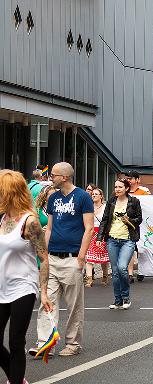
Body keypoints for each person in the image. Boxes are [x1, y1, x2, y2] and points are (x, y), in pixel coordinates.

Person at [29, 162, 94, 358]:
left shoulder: (82, 197)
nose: (51, 178)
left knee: (74, 305)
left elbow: (89, 227)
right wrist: (44, 255)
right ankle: (45, 343)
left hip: (73, 258)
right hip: (52, 258)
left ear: (64, 177)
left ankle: (73, 343)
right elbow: (49, 228)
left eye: (54, 175)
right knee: (46, 301)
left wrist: (81, 257)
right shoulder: (53, 198)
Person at [0, 170, 53, 384]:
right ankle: (16, 377)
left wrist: (44, 291)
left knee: (15, 341)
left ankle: (15, 380)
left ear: (9, 192)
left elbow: (44, 258)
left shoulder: (29, 222)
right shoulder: (2, 218)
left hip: (23, 287)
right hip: (2, 287)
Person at [97, 179, 143, 310]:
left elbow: (139, 219)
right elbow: (105, 219)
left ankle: (126, 297)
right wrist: (100, 237)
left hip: (128, 239)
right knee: (115, 271)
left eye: (120, 187)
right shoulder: (111, 201)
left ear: (127, 188)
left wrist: (129, 219)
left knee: (122, 267)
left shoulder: (134, 201)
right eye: (116, 187)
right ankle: (118, 300)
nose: (117, 189)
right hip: (112, 239)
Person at [124, 170, 149, 283]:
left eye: (130, 178)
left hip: (142, 224)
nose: (128, 180)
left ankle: (142, 270)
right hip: (127, 224)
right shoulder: (124, 192)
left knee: (141, 248)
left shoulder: (144, 193)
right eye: (127, 178)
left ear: (137, 180)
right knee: (130, 248)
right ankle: (130, 274)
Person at [85, 188, 109, 287]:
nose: (94, 195)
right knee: (89, 258)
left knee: (103, 258)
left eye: (96, 194)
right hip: (91, 233)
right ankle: (89, 279)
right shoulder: (88, 207)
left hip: (101, 233)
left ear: (101, 196)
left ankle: (105, 276)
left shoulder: (105, 207)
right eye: (92, 194)